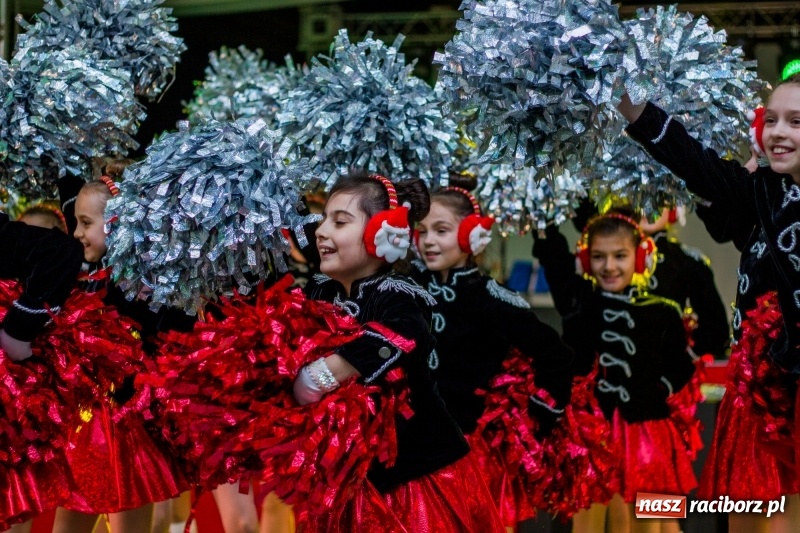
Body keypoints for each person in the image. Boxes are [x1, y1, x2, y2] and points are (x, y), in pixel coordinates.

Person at [617, 73, 800, 532]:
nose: (778, 132)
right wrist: (634, 109)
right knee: (747, 512)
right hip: (759, 393)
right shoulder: (768, 192)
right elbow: (703, 171)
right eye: (771, 120)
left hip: (790, 398)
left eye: (796, 122)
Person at [296, 172, 505, 532]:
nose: (322, 231)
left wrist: (325, 373)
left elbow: (406, 334)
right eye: (324, 219)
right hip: (352, 480)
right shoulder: (322, 292)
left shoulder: (398, 293)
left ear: (382, 234)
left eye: (340, 222)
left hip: (415, 481)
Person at [411, 177, 574, 531]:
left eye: (441, 230)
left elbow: (557, 356)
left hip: (472, 454)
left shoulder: (493, 298)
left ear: (473, 235)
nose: (428, 241)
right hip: (417, 449)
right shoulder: (409, 290)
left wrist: (540, 413)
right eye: (421, 232)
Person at [533, 208, 699, 533]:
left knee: (655, 520)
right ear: (585, 260)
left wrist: (659, 391)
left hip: (651, 433)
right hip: (591, 435)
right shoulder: (577, 302)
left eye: (620, 256)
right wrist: (545, 220)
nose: (609, 266)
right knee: (588, 522)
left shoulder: (663, 311)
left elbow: (682, 364)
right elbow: (554, 258)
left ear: (640, 256)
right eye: (598, 257)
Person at [52, 176, 187, 533]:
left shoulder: (144, 285)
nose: (77, 233)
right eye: (76, 222)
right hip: (85, 427)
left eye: (85, 223)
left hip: (128, 429)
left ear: (115, 223)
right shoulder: (87, 278)